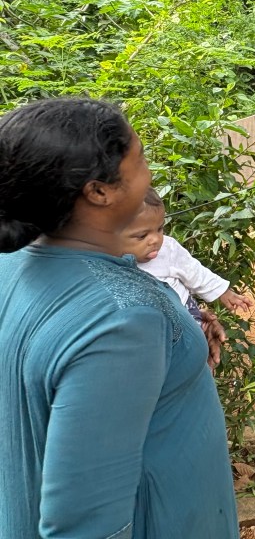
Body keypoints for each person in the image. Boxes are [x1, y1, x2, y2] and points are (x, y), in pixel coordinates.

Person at [0, 97, 238, 539]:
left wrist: (181, 329)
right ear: (99, 191)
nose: (149, 170)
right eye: (140, 158)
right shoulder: (124, 320)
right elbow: (86, 523)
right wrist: (160, 328)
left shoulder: (13, 265)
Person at [122, 187, 255, 319]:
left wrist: (223, 292)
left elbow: (194, 271)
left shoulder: (168, 249)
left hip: (185, 313)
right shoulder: (112, 263)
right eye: (142, 235)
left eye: (160, 229)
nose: (156, 239)